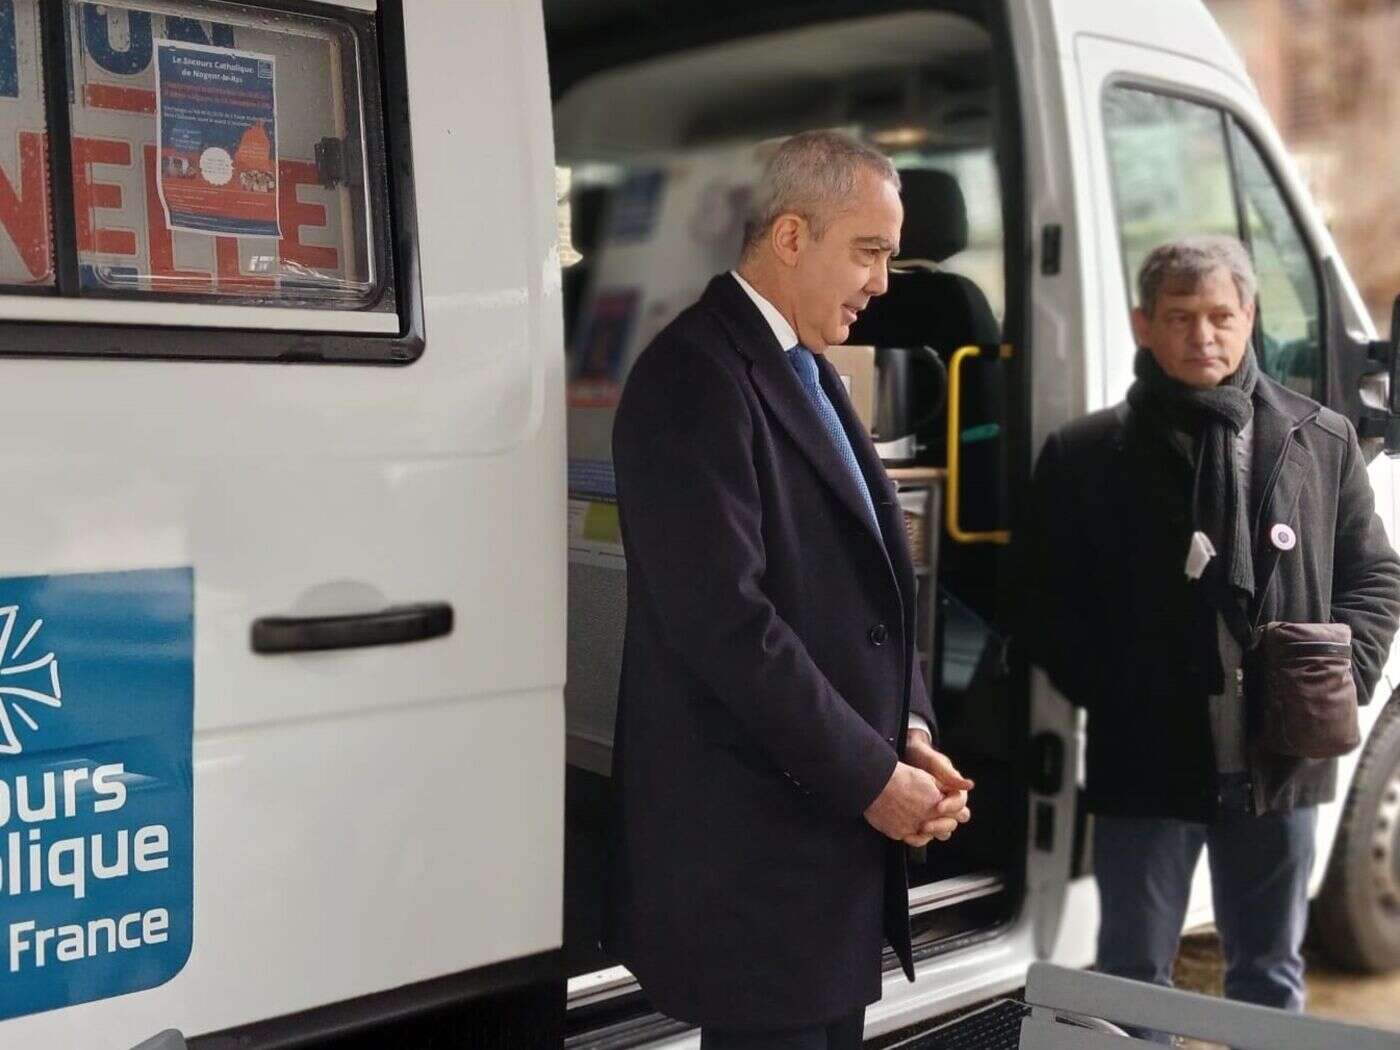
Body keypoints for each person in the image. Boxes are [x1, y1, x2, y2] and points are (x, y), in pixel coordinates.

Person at [606, 129, 973, 1050]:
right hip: (757, 857)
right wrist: (872, 777)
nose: (884, 283)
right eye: (870, 252)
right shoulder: (694, 375)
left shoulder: (801, 364)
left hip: (820, 840)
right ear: (791, 237)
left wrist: (912, 734)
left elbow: (867, 590)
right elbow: (727, 625)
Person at [1024, 234, 1400, 1030]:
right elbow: (1043, 604)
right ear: (1142, 324)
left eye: (1222, 316)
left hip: (1281, 759)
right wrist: (1122, 689)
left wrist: (1337, 676)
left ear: (1250, 317)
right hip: (1147, 761)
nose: (1204, 336)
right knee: (1132, 984)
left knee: (1269, 979)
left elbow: (1375, 578)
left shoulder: (1319, 440)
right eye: (1180, 316)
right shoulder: (1086, 455)